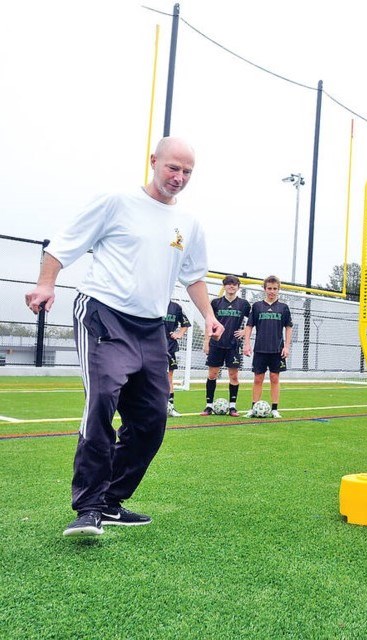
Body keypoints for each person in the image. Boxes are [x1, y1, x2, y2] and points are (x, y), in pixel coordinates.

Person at [24, 137, 224, 537]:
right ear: (154, 161)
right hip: (103, 314)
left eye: (187, 172)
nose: (179, 177)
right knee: (102, 403)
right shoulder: (116, 203)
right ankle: (88, 507)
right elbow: (62, 245)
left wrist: (208, 315)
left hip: (151, 327)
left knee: (152, 419)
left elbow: (194, 277)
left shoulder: (189, 224)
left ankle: (111, 501)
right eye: (173, 168)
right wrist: (46, 284)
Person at [200, 274, 251, 417]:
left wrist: (244, 331)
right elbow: (209, 323)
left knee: (233, 376)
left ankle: (232, 407)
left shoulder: (244, 304)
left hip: (233, 345)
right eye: (228, 284)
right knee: (212, 375)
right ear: (224, 286)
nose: (231, 286)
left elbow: (252, 322)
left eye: (234, 284)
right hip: (216, 344)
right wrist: (206, 342)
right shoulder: (216, 303)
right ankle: (209, 406)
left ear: (238, 287)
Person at [243, 275, 292, 418]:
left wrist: (287, 346)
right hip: (260, 349)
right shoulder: (257, 306)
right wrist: (247, 343)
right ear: (265, 289)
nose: (272, 291)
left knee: (274, 378)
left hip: (277, 350)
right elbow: (249, 326)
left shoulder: (283, 308)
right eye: (269, 288)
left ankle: (275, 409)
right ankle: (253, 408)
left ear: (278, 290)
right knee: (258, 379)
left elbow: (288, 327)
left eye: (275, 289)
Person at [164, 299, 191, 417]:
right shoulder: (152, 302)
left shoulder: (175, 307)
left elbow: (186, 324)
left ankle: (170, 407)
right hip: (152, 346)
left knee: (169, 377)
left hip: (169, 347)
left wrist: (179, 334)